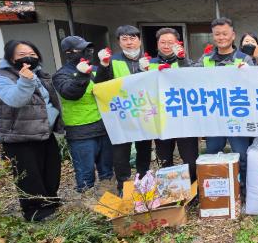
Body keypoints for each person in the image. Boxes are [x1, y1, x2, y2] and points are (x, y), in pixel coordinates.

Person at [0, 40, 63, 221]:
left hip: (43, 133)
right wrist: (25, 81)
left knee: (51, 171)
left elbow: (48, 101)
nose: (28, 57)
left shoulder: (39, 74)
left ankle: (50, 203)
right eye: (22, 55)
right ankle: (35, 211)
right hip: (19, 137)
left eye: (32, 54)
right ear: (10, 58)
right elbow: (15, 100)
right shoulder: (0, 78)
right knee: (29, 176)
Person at [197, 17, 255, 189]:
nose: (221, 37)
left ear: (233, 35)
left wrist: (249, 74)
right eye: (217, 34)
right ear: (213, 36)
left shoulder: (244, 59)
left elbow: (254, 86)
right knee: (212, 153)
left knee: (242, 155)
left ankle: (243, 189)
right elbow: (191, 79)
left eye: (225, 34)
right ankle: (217, 190)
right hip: (214, 115)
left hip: (237, 116)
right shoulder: (205, 59)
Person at [95, 25, 153, 193]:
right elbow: (100, 85)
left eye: (133, 38)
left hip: (143, 113)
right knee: (120, 154)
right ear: (119, 42)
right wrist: (103, 65)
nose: (129, 42)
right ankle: (123, 186)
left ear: (140, 41)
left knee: (144, 150)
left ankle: (143, 182)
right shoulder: (112, 61)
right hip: (120, 114)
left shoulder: (149, 60)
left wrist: (146, 71)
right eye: (124, 39)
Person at [53, 36, 113, 192]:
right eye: (82, 49)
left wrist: (104, 65)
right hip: (81, 132)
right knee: (86, 174)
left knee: (107, 170)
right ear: (69, 52)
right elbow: (71, 93)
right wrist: (81, 74)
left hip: (103, 127)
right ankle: (87, 201)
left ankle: (110, 199)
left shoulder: (93, 69)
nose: (88, 52)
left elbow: (104, 86)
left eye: (89, 49)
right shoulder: (61, 75)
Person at [148, 28, 200, 179]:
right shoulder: (148, 64)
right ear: (157, 44)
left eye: (170, 42)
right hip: (161, 120)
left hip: (185, 119)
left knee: (190, 160)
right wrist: (142, 70)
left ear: (178, 44)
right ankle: (169, 191)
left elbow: (195, 81)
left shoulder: (186, 62)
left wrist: (182, 59)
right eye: (162, 42)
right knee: (165, 160)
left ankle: (192, 189)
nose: (166, 46)